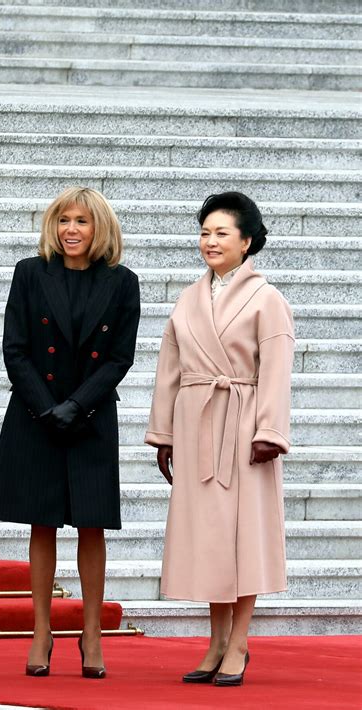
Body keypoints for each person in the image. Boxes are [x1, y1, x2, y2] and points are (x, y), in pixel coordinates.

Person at [0, 186, 140, 679]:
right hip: (37, 414)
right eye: (63, 220)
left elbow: (120, 358)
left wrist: (77, 405)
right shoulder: (30, 273)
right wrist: (48, 407)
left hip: (91, 416)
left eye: (82, 221)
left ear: (101, 229)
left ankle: (91, 634)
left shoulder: (122, 282)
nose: (71, 229)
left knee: (92, 525)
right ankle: (41, 632)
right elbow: (16, 348)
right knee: (42, 523)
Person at [145, 191, 294, 687]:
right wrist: (164, 432)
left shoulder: (267, 298)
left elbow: (276, 368)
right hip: (196, 426)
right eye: (205, 232)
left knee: (243, 535)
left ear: (247, 241)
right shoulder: (188, 297)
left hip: (245, 424)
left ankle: (240, 641)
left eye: (221, 232)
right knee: (210, 538)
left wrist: (269, 430)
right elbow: (171, 368)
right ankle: (214, 641)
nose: (210, 241)